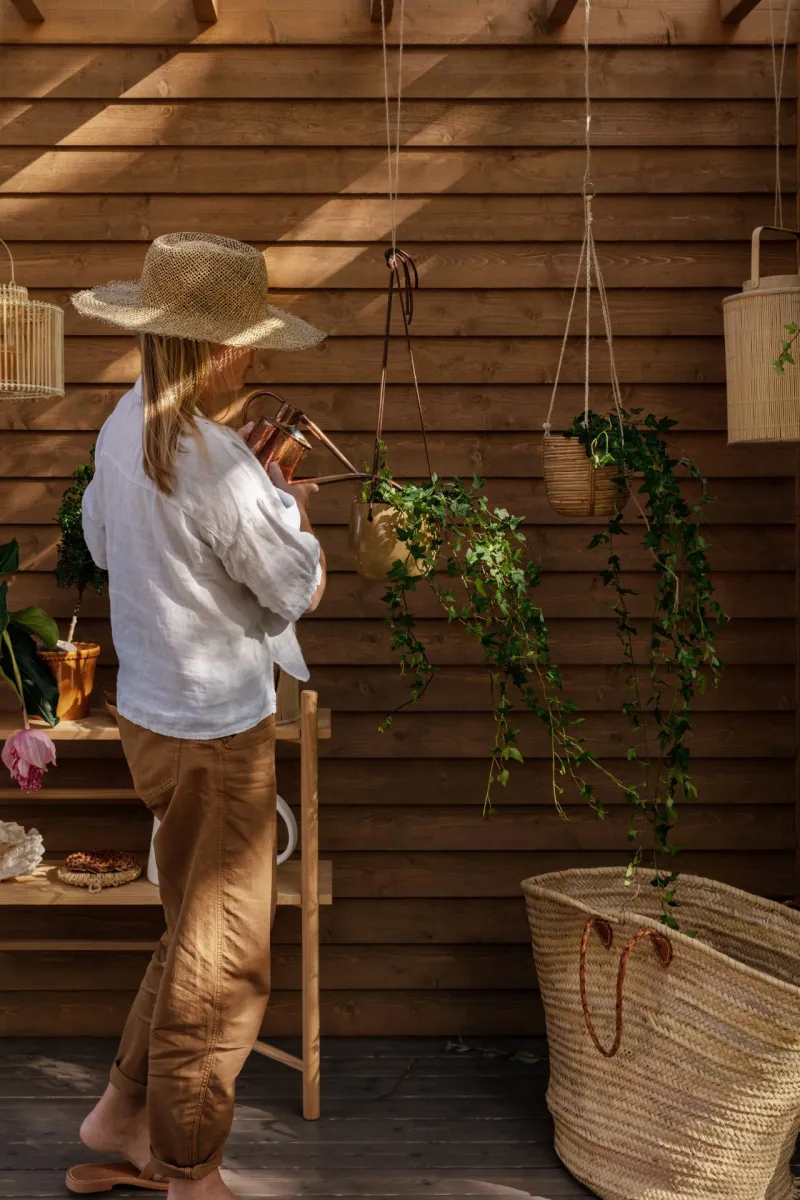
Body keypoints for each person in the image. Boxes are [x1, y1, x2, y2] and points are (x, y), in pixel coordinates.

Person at [64, 233, 327, 1198]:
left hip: (150, 721)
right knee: (226, 963)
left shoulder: (123, 424)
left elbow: (101, 537)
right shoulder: (218, 462)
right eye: (250, 341)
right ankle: (187, 1172)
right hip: (219, 733)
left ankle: (125, 1111)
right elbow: (294, 589)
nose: (255, 357)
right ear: (218, 350)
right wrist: (293, 511)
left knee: (189, 933)